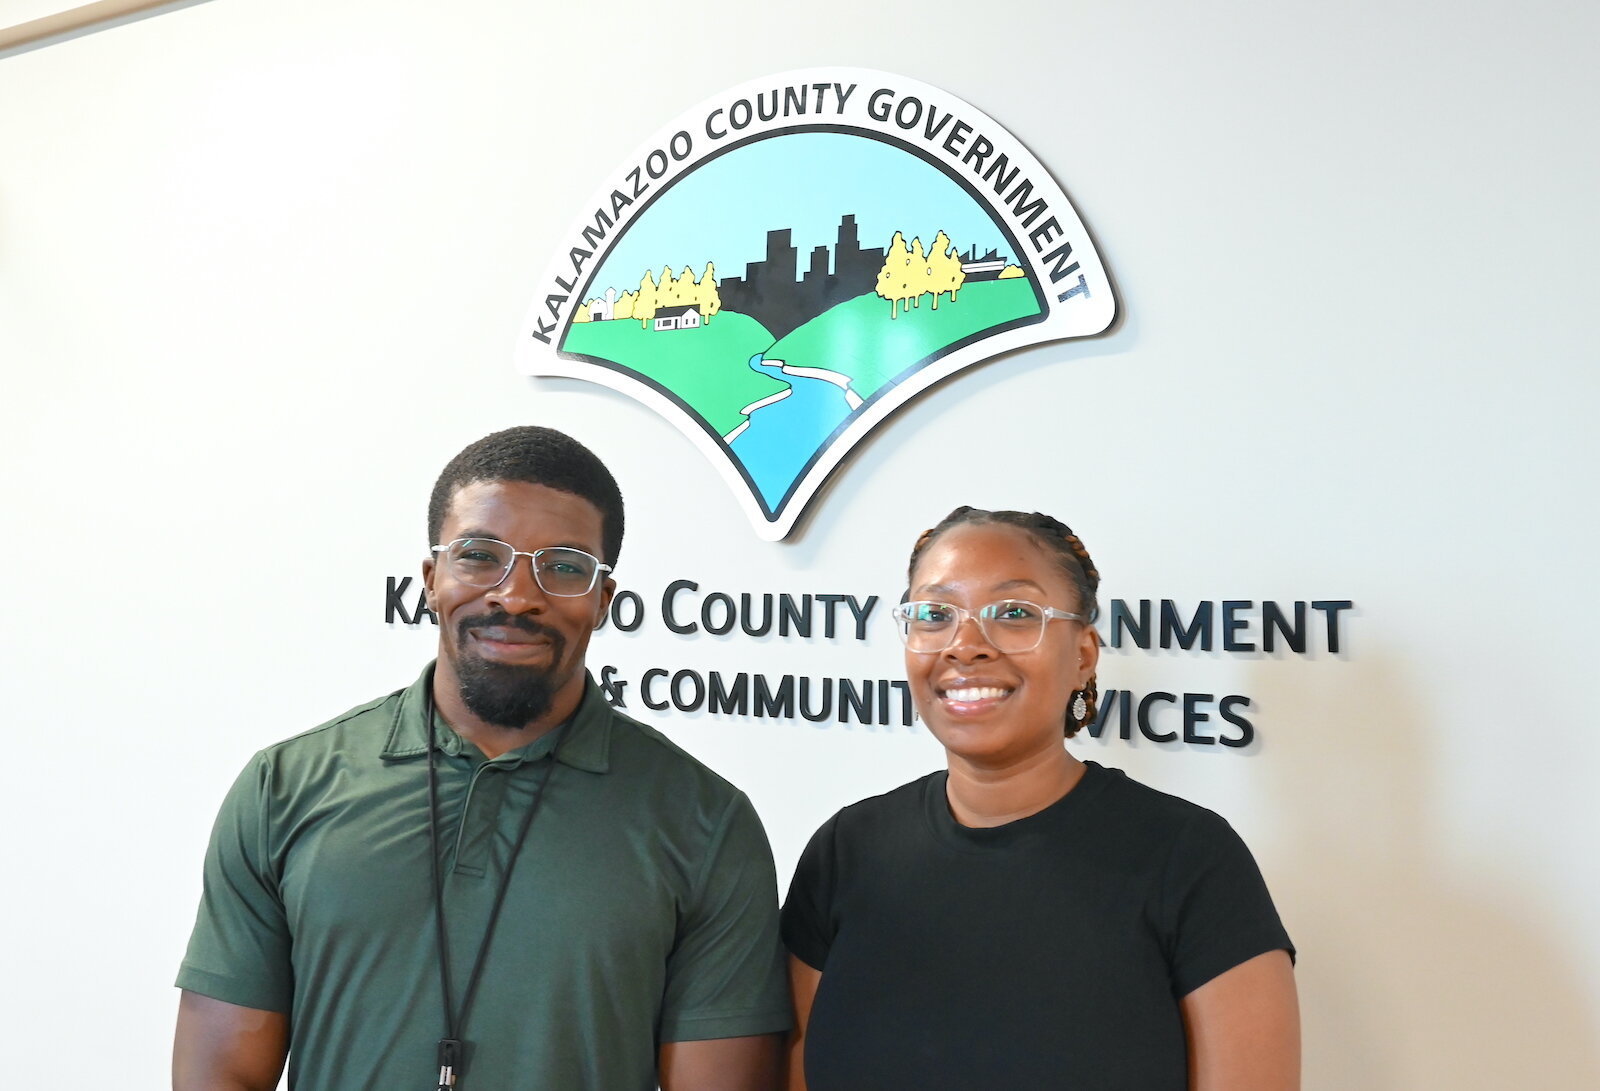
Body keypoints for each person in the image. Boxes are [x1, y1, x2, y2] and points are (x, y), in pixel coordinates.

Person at [174, 426, 790, 1090]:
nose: (516, 594)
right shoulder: (284, 787)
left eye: (563, 565)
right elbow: (222, 1074)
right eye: (479, 555)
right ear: (431, 580)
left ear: (605, 599)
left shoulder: (705, 823)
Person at [781, 507, 1299, 1090]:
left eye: (1014, 614)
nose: (965, 645)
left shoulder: (1190, 860)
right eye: (934, 614)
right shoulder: (847, 851)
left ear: (1083, 654)